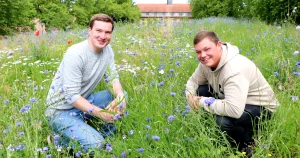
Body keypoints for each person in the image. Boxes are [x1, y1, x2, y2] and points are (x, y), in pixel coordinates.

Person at [185, 30, 279, 155]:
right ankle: (215, 132)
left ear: (219, 45)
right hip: (236, 101)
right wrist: (191, 96)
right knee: (201, 89)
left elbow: (234, 109)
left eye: (207, 49)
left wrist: (201, 102)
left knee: (223, 120)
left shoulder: (234, 69)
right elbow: (192, 82)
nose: (203, 55)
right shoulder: (206, 64)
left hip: (261, 108)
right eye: (198, 52)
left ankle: (246, 146)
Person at [45, 13, 127, 153]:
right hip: (60, 111)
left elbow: (113, 78)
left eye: (107, 32)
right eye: (99, 31)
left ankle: (107, 136)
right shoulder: (75, 54)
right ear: (89, 31)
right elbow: (71, 97)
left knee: (123, 95)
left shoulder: (108, 51)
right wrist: (101, 113)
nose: (103, 36)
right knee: (95, 145)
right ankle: (57, 140)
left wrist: (120, 97)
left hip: (84, 102)